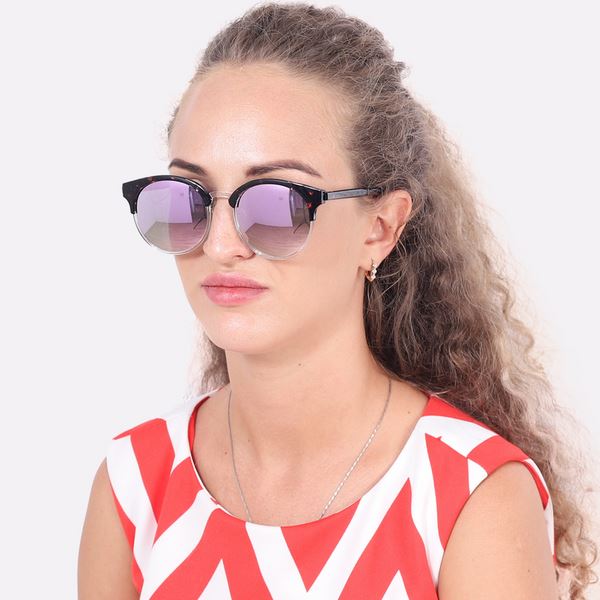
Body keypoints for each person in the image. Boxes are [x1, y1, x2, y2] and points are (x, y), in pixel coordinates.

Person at [78, 3, 598, 599]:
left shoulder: (473, 496)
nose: (219, 245)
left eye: (275, 203)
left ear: (380, 227)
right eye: (188, 198)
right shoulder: (135, 482)